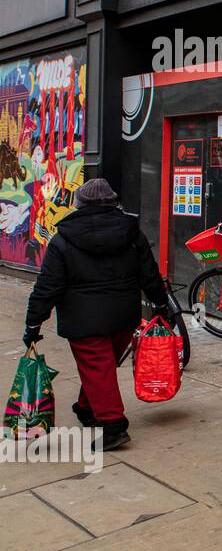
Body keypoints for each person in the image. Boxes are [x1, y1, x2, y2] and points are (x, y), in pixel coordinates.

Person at [22, 178, 168, 450]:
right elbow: (150, 275)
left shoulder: (62, 240)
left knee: (98, 367)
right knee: (101, 367)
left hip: (83, 320)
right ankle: (85, 408)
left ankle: (113, 425)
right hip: (123, 316)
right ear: (113, 202)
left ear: (79, 204)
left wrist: (33, 323)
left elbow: (47, 287)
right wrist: (162, 305)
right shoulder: (132, 232)